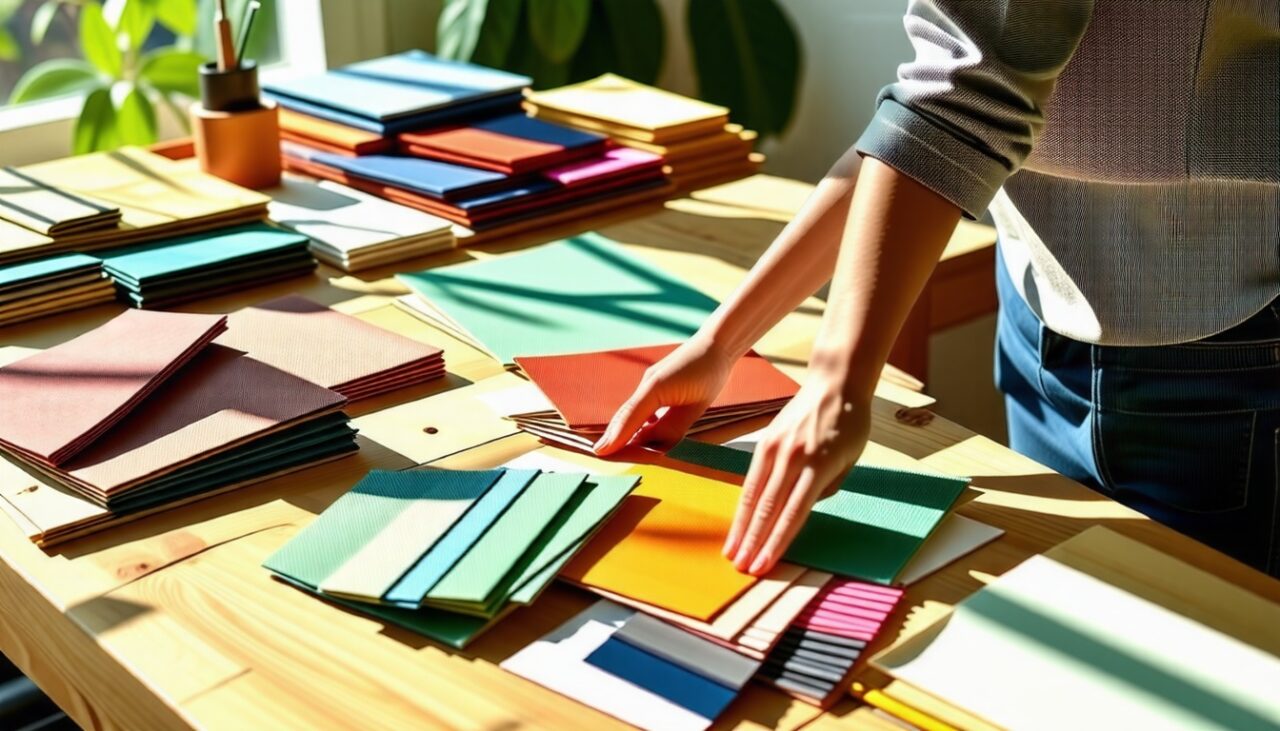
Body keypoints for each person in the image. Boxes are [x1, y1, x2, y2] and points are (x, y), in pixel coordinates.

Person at [594, 0, 1280, 577]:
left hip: (1236, 349)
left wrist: (836, 383)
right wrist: (721, 344)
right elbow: (922, 130)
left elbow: (954, 112)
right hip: (1038, 327)